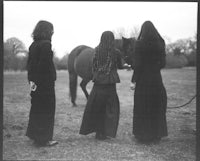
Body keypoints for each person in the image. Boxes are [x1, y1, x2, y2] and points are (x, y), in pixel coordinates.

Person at [79, 31, 124, 140]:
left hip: (98, 82)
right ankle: (105, 132)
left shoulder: (96, 51)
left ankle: (98, 132)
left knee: (97, 107)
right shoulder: (115, 52)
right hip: (110, 83)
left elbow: (93, 66)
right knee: (109, 108)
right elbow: (120, 66)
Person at [131, 21, 168, 143]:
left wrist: (134, 80)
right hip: (156, 79)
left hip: (143, 81)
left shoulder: (139, 44)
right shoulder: (160, 43)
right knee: (157, 106)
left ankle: (143, 135)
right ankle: (156, 134)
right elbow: (162, 63)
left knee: (143, 106)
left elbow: (137, 65)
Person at [26, 20, 58, 146]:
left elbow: (30, 65)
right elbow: (44, 66)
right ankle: (43, 139)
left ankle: (34, 135)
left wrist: (32, 81)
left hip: (34, 82)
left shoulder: (33, 45)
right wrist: (45, 81)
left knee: (36, 108)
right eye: (51, 30)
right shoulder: (46, 45)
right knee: (47, 110)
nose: (52, 33)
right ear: (47, 31)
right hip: (45, 84)